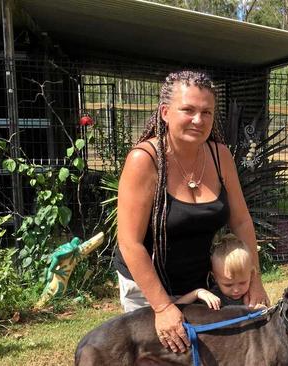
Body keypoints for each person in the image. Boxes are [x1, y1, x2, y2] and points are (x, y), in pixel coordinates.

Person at [115, 70, 269, 353]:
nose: (198, 120)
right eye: (188, 110)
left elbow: (242, 221)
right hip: (148, 287)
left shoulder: (220, 156)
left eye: (207, 112)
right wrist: (162, 307)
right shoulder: (144, 160)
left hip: (200, 284)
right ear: (165, 112)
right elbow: (129, 243)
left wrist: (256, 281)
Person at [175, 233, 257, 309]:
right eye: (228, 285)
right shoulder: (213, 296)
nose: (236, 290)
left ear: (252, 274)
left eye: (242, 283)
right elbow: (175, 308)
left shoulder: (252, 294)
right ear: (215, 278)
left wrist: (259, 308)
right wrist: (196, 293)